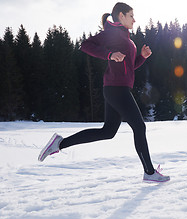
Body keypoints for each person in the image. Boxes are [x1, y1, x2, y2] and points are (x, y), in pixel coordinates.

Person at [38, 2, 170, 183]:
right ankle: (149, 171)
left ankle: (59, 144)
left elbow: (129, 67)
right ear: (121, 16)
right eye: (131, 15)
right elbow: (85, 45)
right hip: (116, 89)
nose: (134, 19)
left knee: (107, 132)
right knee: (139, 127)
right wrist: (109, 54)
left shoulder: (125, 37)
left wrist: (142, 57)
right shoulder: (111, 33)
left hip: (116, 88)